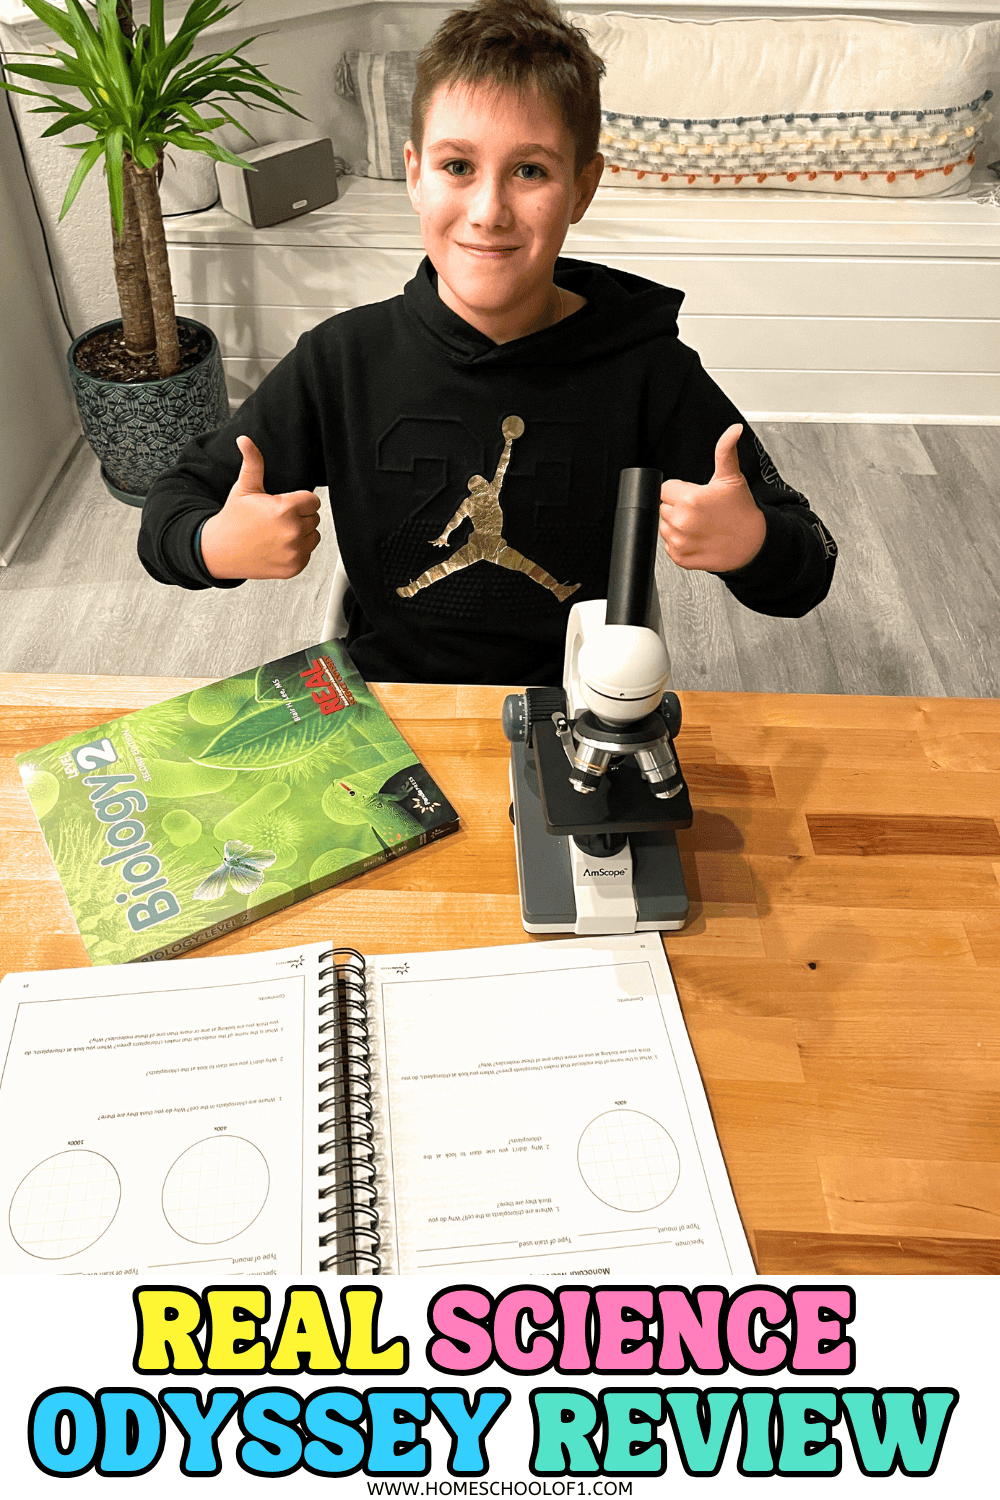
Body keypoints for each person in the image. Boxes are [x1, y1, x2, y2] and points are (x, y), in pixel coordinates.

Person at [138, 0, 837, 686]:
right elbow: (175, 505)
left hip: (574, 704)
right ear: (415, 174)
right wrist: (213, 547)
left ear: (582, 188)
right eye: (457, 166)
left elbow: (810, 563)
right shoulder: (339, 362)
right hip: (391, 704)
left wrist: (752, 545)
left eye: (530, 170)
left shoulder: (650, 371)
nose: (488, 211)